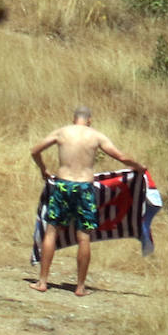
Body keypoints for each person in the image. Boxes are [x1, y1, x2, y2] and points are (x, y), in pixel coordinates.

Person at [30, 106, 145, 296]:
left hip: (62, 185)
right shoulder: (96, 136)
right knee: (84, 237)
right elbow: (121, 157)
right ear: (89, 120)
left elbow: (35, 151)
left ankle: (42, 282)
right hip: (84, 188)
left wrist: (43, 169)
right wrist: (139, 167)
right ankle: (80, 287)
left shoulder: (62, 132)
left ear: (74, 118)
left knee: (51, 232)